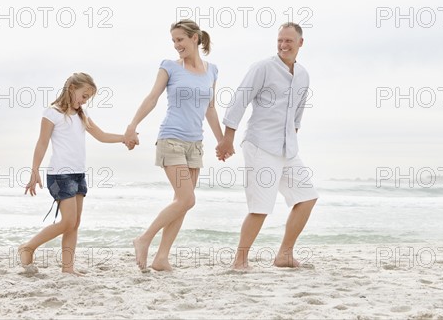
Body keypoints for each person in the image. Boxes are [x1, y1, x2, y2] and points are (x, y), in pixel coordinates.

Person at [216, 22, 318, 270]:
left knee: (307, 197)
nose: (283, 45)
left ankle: (284, 254)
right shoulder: (263, 67)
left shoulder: (303, 75)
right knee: (260, 207)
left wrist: (293, 137)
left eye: (289, 41)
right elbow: (240, 99)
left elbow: (297, 114)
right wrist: (227, 138)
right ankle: (239, 261)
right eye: (280, 40)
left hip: (288, 149)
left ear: (300, 43)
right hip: (260, 145)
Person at [124, 19, 223, 271]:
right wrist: (133, 124)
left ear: (195, 38)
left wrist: (222, 140)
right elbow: (152, 97)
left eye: (180, 39)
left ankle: (161, 258)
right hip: (172, 140)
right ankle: (144, 239)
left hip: (195, 144)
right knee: (187, 199)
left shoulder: (212, 70)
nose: (177, 45)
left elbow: (210, 108)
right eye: (174, 41)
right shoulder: (169, 67)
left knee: (181, 202)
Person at [19, 72, 126, 275]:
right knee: (68, 221)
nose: (85, 101)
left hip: (78, 175)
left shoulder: (81, 116)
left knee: (74, 224)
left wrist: (125, 138)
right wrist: (34, 170)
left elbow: (102, 136)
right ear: (71, 89)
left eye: (88, 98)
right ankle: (28, 247)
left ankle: (68, 268)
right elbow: (42, 143)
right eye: (84, 96)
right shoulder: (52, 113)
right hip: (59, 175)